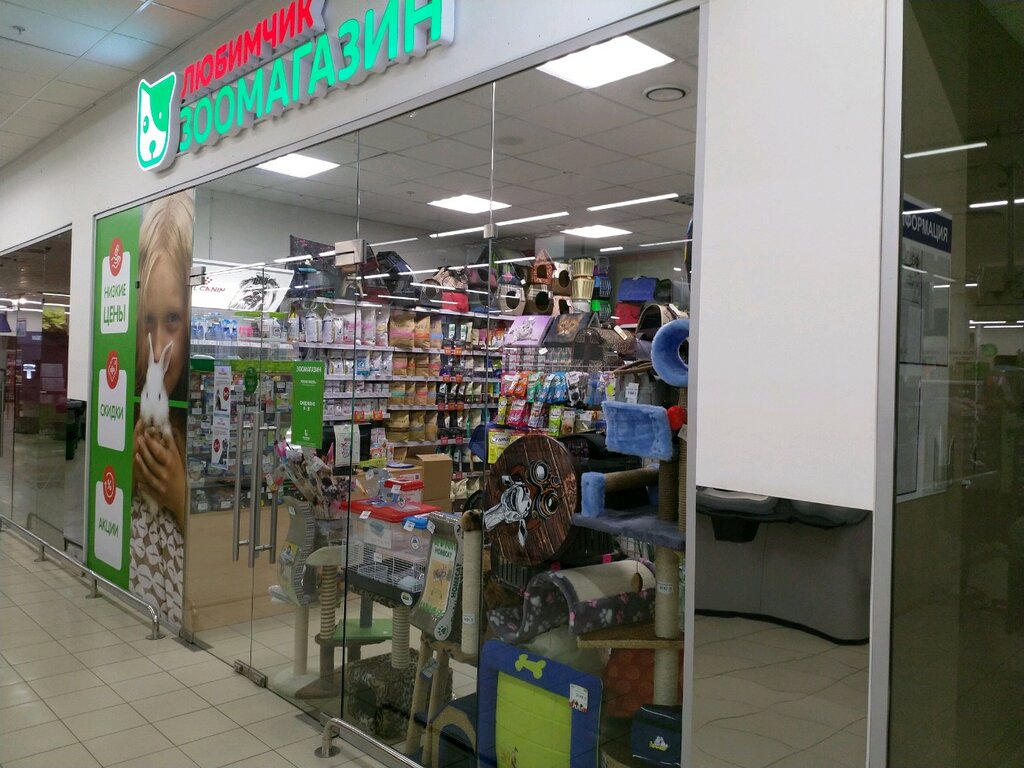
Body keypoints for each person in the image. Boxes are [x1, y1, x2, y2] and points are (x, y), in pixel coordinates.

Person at [130, 191, 193, 626]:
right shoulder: (130, 419)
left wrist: (179, 497)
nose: (157, 350)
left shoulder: (195, 427)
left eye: (172, 319)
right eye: (147, 322)